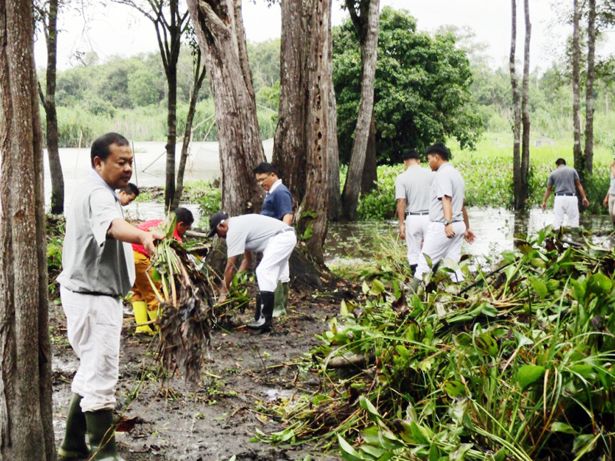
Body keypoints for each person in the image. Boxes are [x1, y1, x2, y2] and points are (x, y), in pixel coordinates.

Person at [57, 132, 163, 461]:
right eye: (121, 162)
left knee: (89, 370)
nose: (129, 168)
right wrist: (143, 235)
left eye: (131, 161)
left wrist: (138, 231)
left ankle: (71, 449)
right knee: (102, 376)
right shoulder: (99, 194)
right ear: (98, 162)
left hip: (86, 291)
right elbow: (113, 226)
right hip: (92, 296)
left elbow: (114, 220)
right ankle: (105, 455)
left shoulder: (94, 187)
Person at [209, 211, 296, 333]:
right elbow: (247, 260)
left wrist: (224, 293)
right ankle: (261, 317)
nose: (220, 237)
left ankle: (265, 320)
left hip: (280, 238)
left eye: (218, 233)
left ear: (222, 226)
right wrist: (234, 285)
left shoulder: (234, 230)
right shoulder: (239, 224)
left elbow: (230, 266)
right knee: (270, 276)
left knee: (263, 271)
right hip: (285, 236)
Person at [414, 143, 475, 283]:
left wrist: (448, 223)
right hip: (458, 225)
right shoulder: (456, 173)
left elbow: (446, 199)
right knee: (452, 266)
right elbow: (461, 204)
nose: (428, 162)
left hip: (444, 226)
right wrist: (467, 227)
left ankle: (411, 300)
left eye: (429, 159)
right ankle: (461, 297)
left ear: (436, 157)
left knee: (423, 265)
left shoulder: (442, 174)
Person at [130, 207, 194, 335]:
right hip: (139, 258)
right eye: (186, 229)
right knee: (153, 292)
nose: (185, 232)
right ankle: (161, 330)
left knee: (138, 291)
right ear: (180, 224)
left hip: (127, 254)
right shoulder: (172, 236)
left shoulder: (156, 222)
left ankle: (142, 327)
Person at [253, 162, 293, 317]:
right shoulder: (273, 192)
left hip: (278, 239)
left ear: (273, 175)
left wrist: (281, 238)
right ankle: (278, 308)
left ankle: (276, 309)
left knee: (269, 271)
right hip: (272, 240)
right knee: (279, 271)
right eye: (258, 181)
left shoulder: (280, 192)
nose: (261, 183)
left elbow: (287, 215)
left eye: (263, 179)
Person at [395, 149, 434, 273]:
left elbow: (401, 202)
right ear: (419, 160)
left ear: (405, 162)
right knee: (430, 251)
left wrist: (401, 224)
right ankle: (430, 281)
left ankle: (416, 280)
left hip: (412, 217)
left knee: (413, 252)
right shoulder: (431, 174)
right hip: (430, 217)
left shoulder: (401, 178)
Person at [541, 158, 589, 229]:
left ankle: (557, 238)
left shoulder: (553, 173)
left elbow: (549, 189)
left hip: (559, 198)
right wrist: (584, 197)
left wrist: (544, 201)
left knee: (557, 221)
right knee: (574, 221)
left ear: (557, 165)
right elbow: (579, 185)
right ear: (564, 164)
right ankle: (575, 238)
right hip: (571, 198)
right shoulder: (572, 170)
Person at [603, 160, 615, 225]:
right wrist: (606, 197)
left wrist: (612, 168)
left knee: (614, 213)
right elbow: (611, 186)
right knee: (610, 213)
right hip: (611, 195)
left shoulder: (613, 172)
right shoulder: (611, 175)